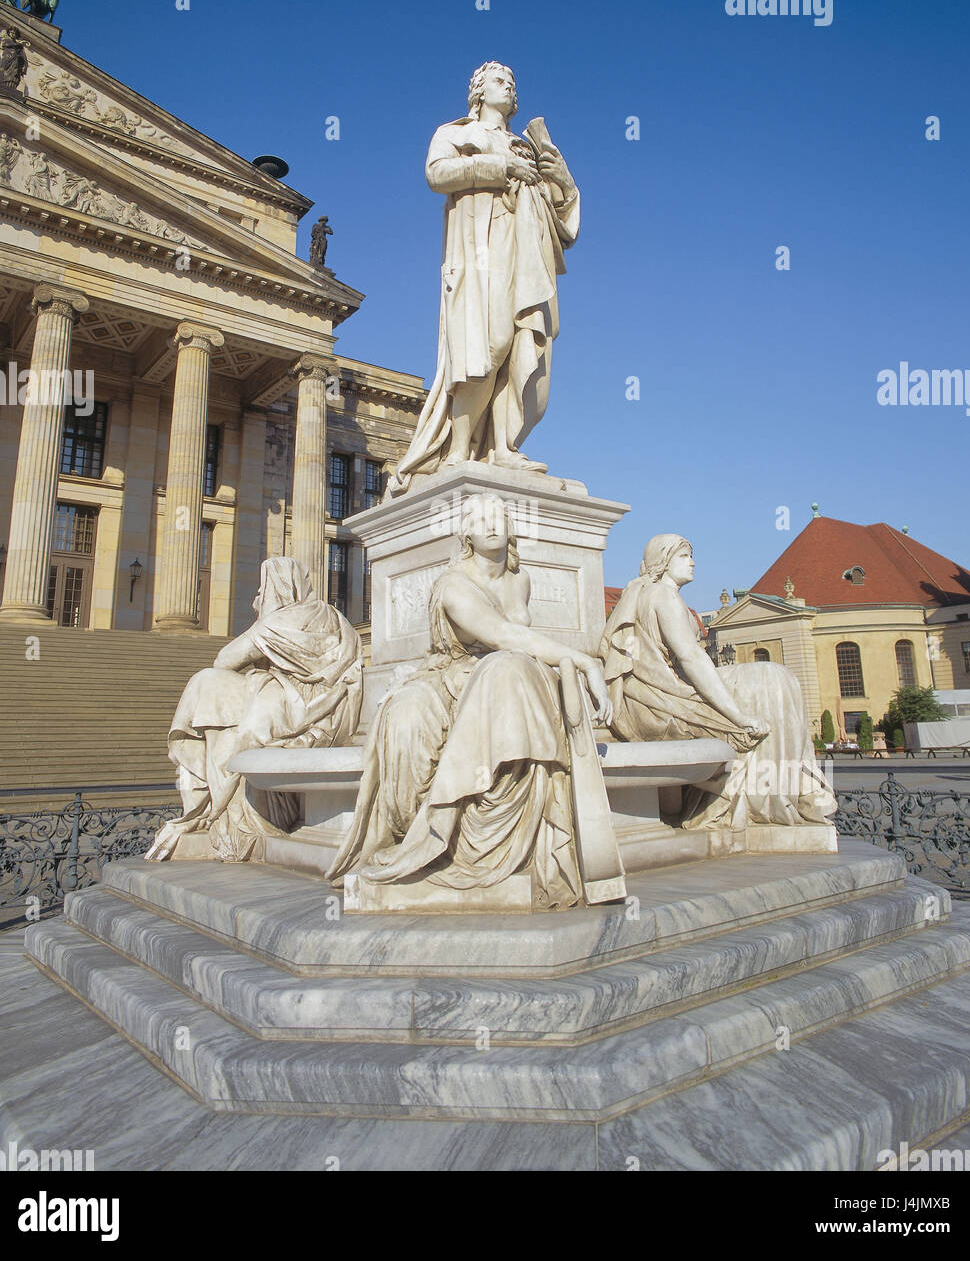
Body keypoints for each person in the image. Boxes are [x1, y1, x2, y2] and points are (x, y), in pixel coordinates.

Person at [329, 494, 612, 909]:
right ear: (466, 533)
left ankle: (488, 832)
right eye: (480, 518)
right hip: (446, 677)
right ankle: (424, 833)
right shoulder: (453, 583)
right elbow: (501, 633)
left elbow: (509, 646)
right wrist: (584, 661)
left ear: (512, 526)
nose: (491, 524)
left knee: (508, 672)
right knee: (407, 716)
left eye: (499, 516)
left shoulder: (522, 580)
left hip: (497, 675)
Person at [388, 62, 579, 494]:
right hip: (480, 252)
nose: (509, 88)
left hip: (527, 255)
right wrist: (502, 168)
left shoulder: (526, 146)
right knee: (483, 345)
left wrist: (561, 181)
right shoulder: (454, 133)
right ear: (477, 91)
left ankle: (503, 447)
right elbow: (437, 174)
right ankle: (457, 451)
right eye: (499, 81)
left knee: (520, 346)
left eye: (513, 83)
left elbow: (563, 223)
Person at [599, 534, 836, 829]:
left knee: (773, 678)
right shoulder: (663, 594)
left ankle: (784, 795)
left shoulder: (650, 595)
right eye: (684, 556)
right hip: (665, 701)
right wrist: (738, 716)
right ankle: (781, 797)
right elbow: (691, 659)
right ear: (663, 561)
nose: (693, 562)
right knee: (772, 681)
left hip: (653, 697)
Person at [146, 557, 363, 863]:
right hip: (326, 711)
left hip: (293, 708)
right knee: (221, 699)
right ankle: (223, 811)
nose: (255, 599)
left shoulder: (283, 620)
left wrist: (262, 626)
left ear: (276, 588)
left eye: (262, 590)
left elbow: (224, 660)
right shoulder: (334, 616)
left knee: (210, 686)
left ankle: (219, 812)